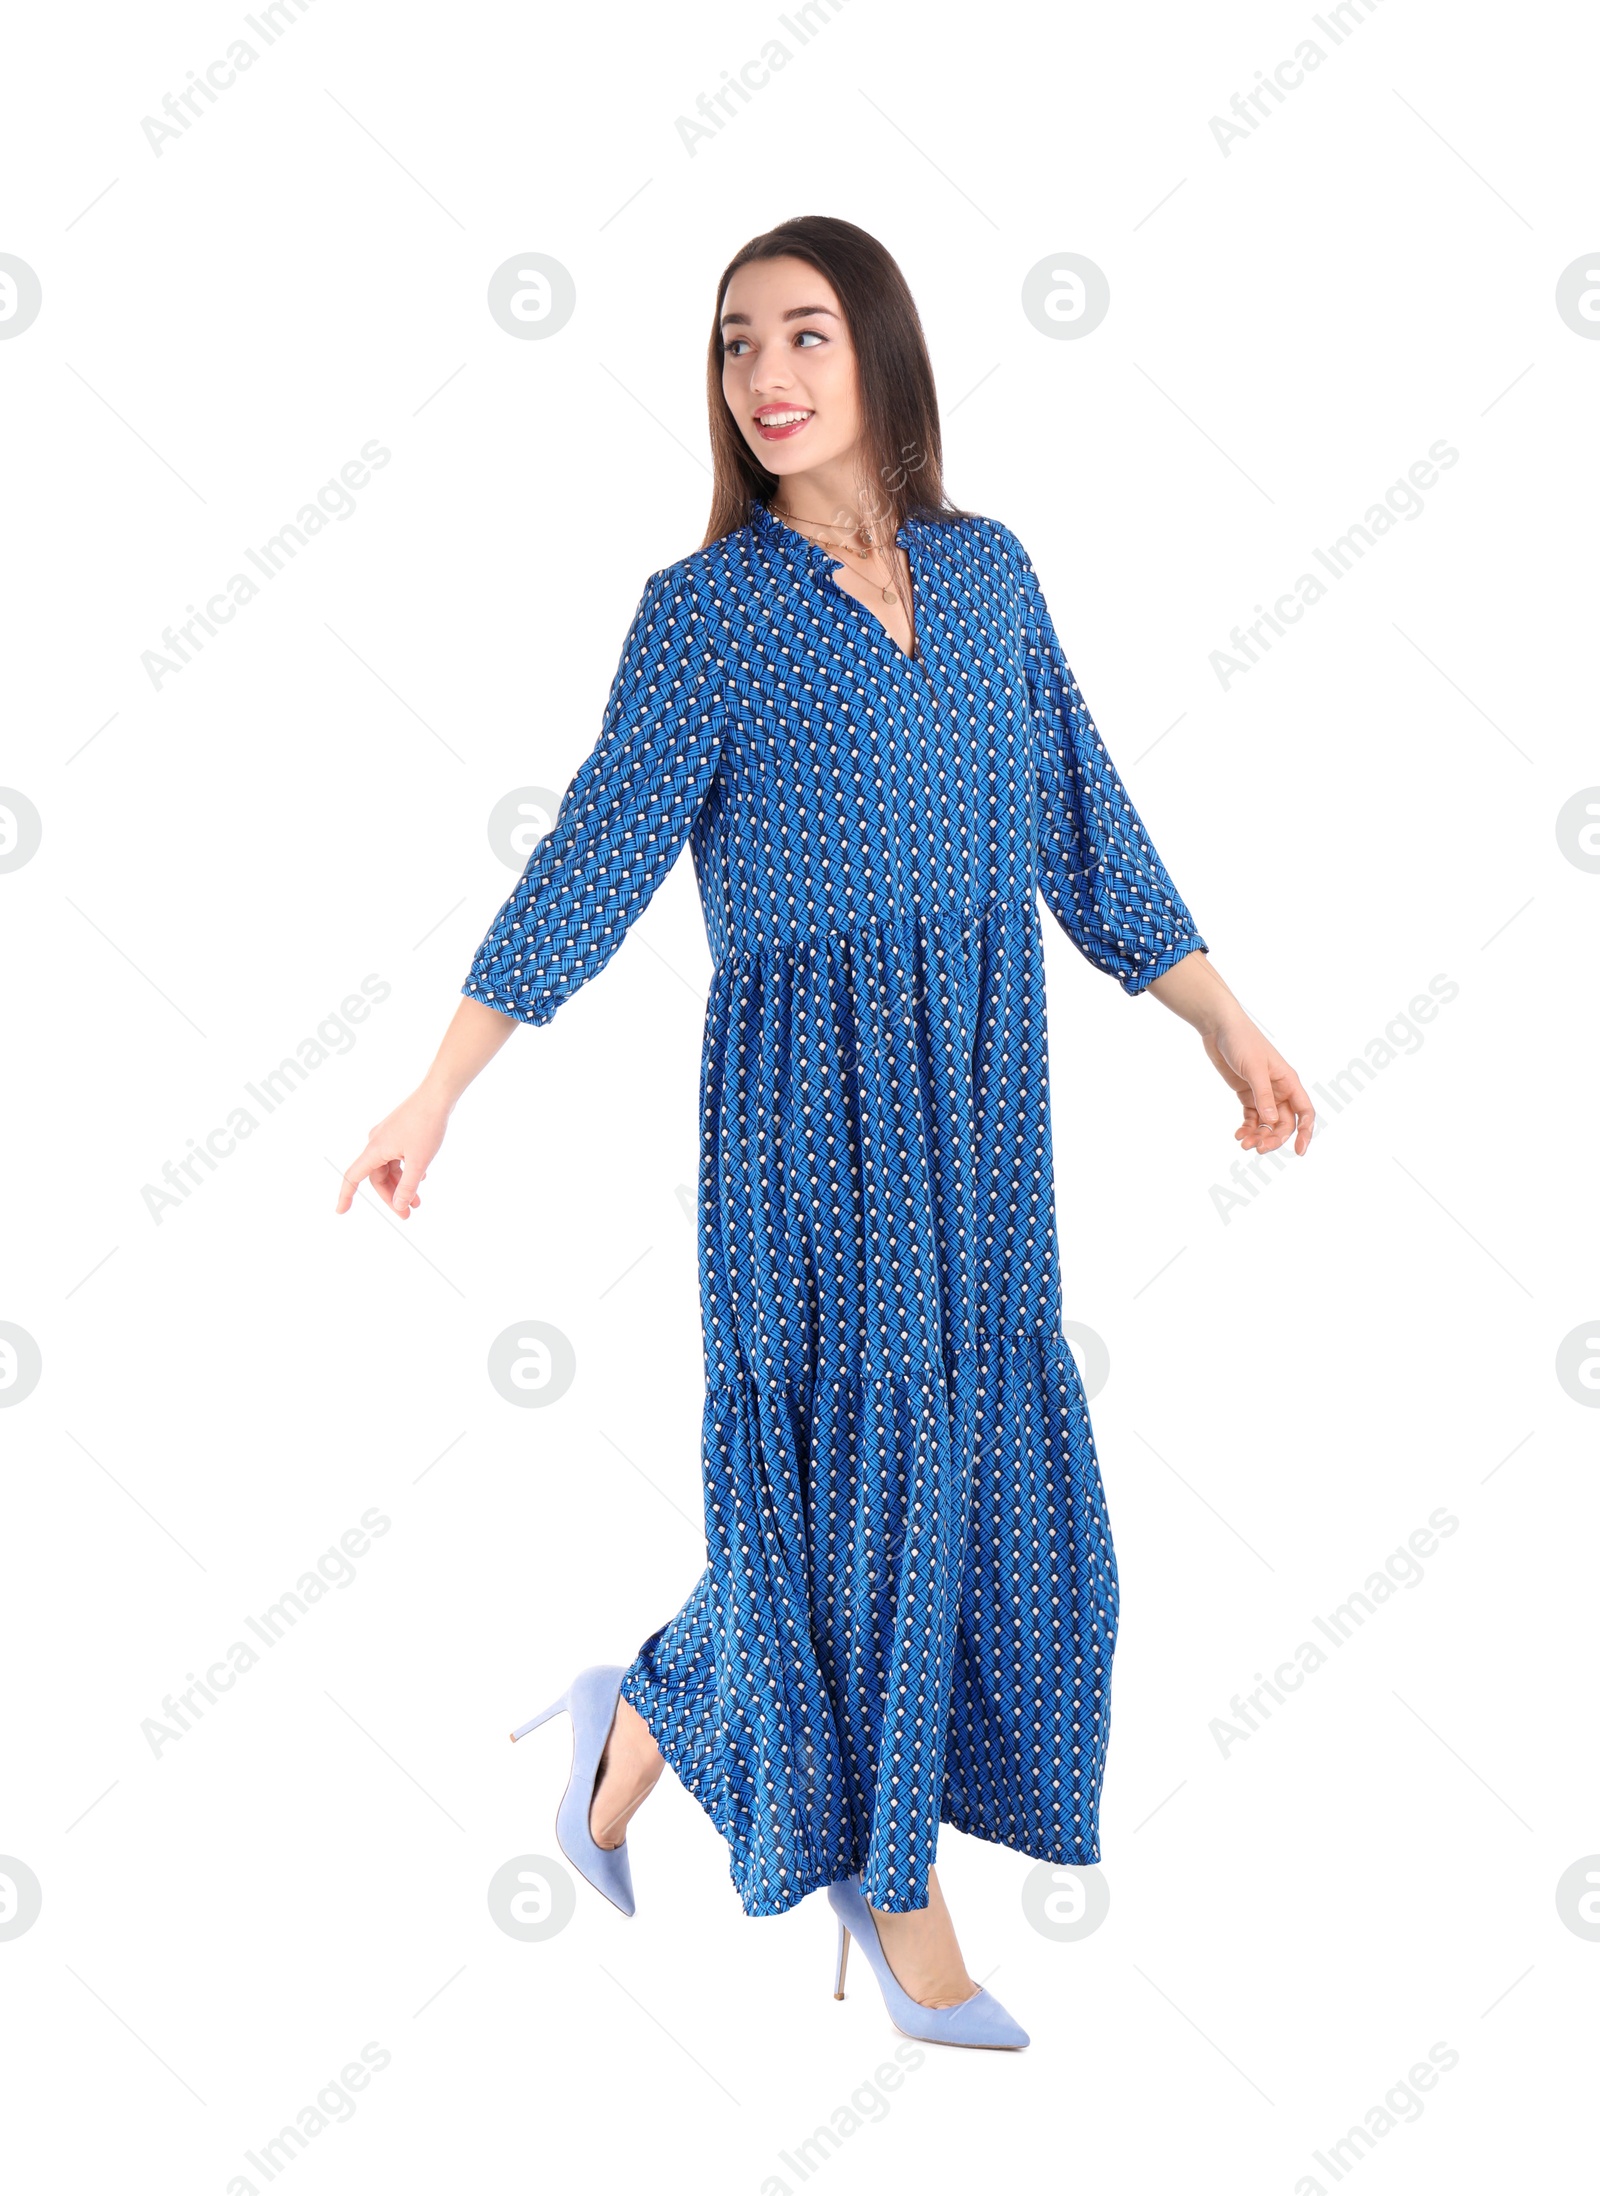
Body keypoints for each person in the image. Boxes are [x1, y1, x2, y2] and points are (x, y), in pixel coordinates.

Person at [336, 214, 1314, 2051]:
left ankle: (647, 1708)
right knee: (861, 1496)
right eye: (729, 348)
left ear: (878, 350)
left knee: (986, 1498)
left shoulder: (994, 575)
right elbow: (598, 855)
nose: (764, 378)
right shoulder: (703, 613)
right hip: (814, 1114)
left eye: (800, 335)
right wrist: (442, 1084)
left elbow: (1084, 823)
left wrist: (1227, 1030)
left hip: (986, 1101)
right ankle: (894, 1889)